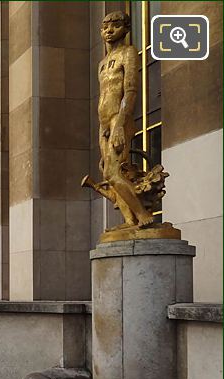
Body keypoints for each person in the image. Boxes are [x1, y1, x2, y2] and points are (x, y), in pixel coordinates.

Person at [96, 11, 153, 228]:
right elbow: (103, 95)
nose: (109, 30)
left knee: (113, 173)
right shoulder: (102, 63)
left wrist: (120, 124)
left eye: (115, 25)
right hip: (104, 122)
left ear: (126, 28)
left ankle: (143, 215)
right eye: (105, 27)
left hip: (119, 120)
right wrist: (102, 129)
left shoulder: (128, 53)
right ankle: (129, 221)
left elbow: (130, 90)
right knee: (109, 174)